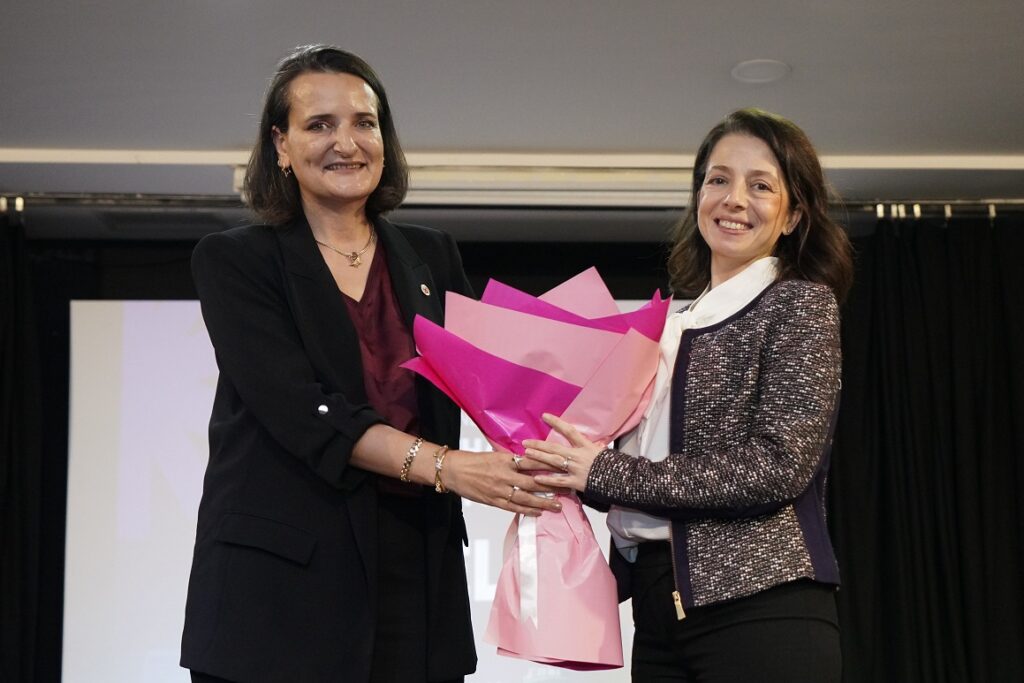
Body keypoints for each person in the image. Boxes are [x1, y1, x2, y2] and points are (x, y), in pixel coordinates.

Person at [180, 45, 560, 683]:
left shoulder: (432, 257)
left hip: (416, 575)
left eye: (364, 122)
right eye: (319, 124)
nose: (346, 142)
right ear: (280, 145)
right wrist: (447, 466)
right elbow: (304, 411)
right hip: (278, 592)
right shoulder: (235, 261)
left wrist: (592, 405)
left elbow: (496, 381)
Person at [524, 108, 854, 682]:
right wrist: (566, 465)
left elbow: (777, 466)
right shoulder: (671, 326)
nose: (733, 199)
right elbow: (640, 472)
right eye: (718, 179)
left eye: (761, 186)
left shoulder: (799, 303)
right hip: (659, 608)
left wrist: (606, 473)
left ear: (794, 215)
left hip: (759, 606)